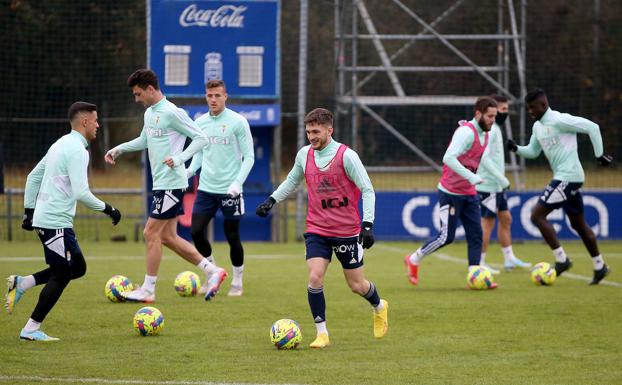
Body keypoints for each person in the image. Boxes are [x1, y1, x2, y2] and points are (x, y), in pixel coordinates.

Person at [255, 108, 388, 348]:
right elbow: (292, 181)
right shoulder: (304, 155)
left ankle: (379, 306)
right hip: (317, 228)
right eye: (308, 132)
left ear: (330, 130)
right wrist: (272, 200)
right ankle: (322, 333)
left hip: (347, 230)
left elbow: (367, 189)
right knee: (315, 277)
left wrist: (367, 225)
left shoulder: (347, 156)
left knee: (357, 285)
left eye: (316, 131)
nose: (311, 136)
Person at [104, 69, 227, 302]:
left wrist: (180, 159)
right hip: (162, 184)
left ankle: (148, 289)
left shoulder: (172, 112)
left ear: (150, 89)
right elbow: (144, 140)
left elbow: (201, 138)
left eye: (138, 94)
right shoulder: (150, 113)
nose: (136, 99)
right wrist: (119, 148)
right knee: (169, 237)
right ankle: (213, 271)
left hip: (172, 183)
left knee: (150, 232)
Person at [5, 102, 122, 341]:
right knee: (62, 275)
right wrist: (109, 209)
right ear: (85, 122)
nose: (98, 125)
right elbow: (81, 193)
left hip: (50, 219)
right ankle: (30, 329)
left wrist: (29, 211)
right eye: (96, 120)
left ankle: (23, 283)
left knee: (77, 267)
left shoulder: (60, 144)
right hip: (54, 221)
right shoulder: (78, 150)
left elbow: (33, 176)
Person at [508, 88, 612, 284]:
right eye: (528, 108)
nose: (530, 112)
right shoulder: (538, 127)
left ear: (543, 105)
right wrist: (516, 149)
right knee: (578, 224)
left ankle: (562, 260)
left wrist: (599, 156)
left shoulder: (559, 120)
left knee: (536, 215)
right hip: (564, 177)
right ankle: (600, 266)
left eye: (532, 108)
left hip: (569, 176)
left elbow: (593, 127)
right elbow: (532, 151)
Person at [404, 96, 498, 287]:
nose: (492, 120)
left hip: (469, 193)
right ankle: (414, 259)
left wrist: (495, 177)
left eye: (495, 116)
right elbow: (448, 158)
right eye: (489, 116)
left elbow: (478, 159)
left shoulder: (486, 133)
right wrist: (471, 177)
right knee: (447, 237)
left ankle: (474, 275)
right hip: (450, 192)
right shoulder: (466, 132)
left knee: (476, 234)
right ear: (478, 114)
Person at [185, 80, 254, 297]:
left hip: (230, 190)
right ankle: (212, 272)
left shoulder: (238, 122)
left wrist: (237, 183)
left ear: (226, 97)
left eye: (217, 95)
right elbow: (199, 153)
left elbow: (249, 157)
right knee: (196, 231)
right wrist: (189, 171)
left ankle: (238, 281)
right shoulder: (200, 122)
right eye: (209, 96)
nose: (213, 100)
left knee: (232, 236)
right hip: (206, 188)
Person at [476, 94, 531, 274]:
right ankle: (480, 262)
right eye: (503, 109)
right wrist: (500, 178)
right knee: (487, 225)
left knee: (506, 219)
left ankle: (509, 258)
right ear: (494, 110)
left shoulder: (497, 129)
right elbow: (482, 156)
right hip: (488, 185)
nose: (506, 113)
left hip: (497, 186)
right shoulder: (489, 130)